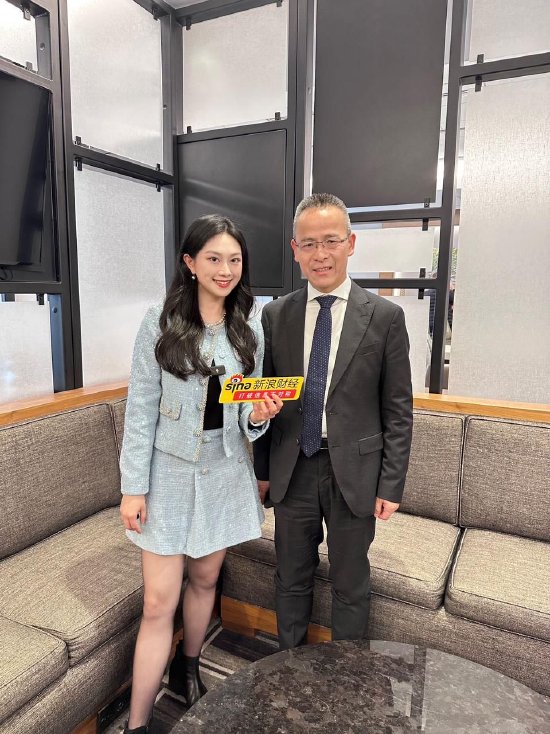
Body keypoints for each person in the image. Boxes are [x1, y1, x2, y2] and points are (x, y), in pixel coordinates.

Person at [119, 214, 282, 734]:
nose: (225, 269)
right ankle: (138, 722)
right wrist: (133, 488)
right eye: (214, 258)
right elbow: (140, 410)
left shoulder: (249, 324)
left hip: (225, 467)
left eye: (234, 260)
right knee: (157, 602)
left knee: (207, 577)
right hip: (166, 474)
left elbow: (246, 407)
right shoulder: (160, 321)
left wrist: (259, 414)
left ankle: (188, 667)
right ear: (190, 263)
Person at [254, 193, 413, 649]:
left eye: (330, 241)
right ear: (294, 250)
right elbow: (266, 397)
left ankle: (345, 677)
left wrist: (390, 485)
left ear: (351, 243)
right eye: (308, 244)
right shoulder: (275, 315)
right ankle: (289, 666)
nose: (320, 254)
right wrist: (262, 471)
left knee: (350, 583)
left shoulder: (385, 317)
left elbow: (398, 410)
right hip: (293, 469)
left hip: (356, 473)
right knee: (290, 577)